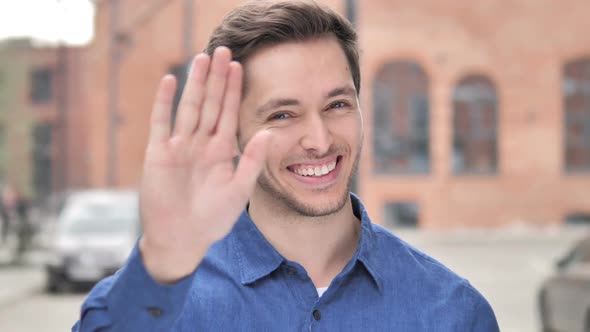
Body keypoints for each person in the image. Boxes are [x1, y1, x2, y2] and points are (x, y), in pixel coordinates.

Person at [73, 1, 499, 331]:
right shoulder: (167, 303)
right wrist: (160, 264)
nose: (319, 140)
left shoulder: (453, 311)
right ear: (231, 129)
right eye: (282, 115)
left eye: (336, 105)